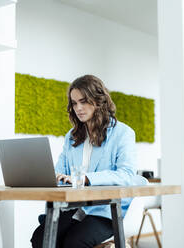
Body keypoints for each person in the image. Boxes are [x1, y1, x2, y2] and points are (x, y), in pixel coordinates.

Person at [31, 75, 137, 248]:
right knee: (40, 238)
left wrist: (86, 178)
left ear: (98, 100)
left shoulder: (123, 133)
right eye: (74, 103)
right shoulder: (71, 136)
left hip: (105, 211)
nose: (78, 108)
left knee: (75, 242)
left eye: (83, 101)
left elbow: (126, 175)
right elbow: (61, 171)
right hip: (74, 208)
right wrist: (52, 176)